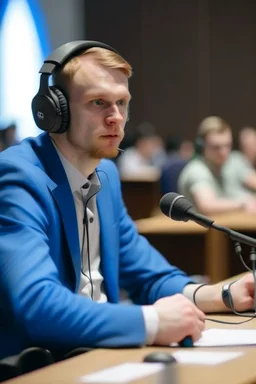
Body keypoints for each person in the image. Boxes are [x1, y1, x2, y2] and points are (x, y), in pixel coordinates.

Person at [0, 41, 254, 360]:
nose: (116, 117)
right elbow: (36, 303)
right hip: (40, 365)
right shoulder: (19, 176)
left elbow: (145, 272)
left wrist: (221, 295)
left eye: (122, 102)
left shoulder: (105, 175)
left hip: (100, 355)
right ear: (55, 111)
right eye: (99, 103)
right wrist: (152, 321)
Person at [178, 116, 256, 215]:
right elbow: (207, 206)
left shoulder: (233, 161)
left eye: (227, 145)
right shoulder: (196, 170)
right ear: (201, 146)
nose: (223, 152)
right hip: (201, 229)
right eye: (216, 147)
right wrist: (243, 203)